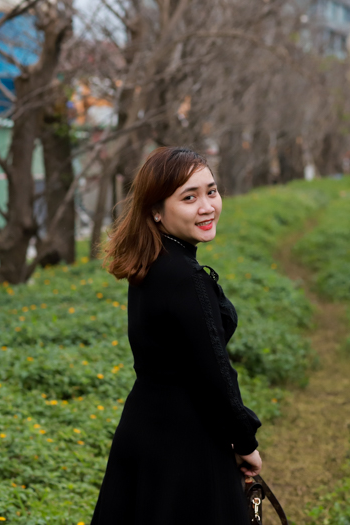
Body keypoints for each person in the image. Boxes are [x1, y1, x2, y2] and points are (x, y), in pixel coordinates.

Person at [90, 147, 262, 525]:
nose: (207, 206)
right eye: (189, 197)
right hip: (187, 443)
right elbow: (215, 370)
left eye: (211, 191)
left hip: (146, 429)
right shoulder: (185, 278)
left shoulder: (155, 263)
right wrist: (244, 440)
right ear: (156, 210)